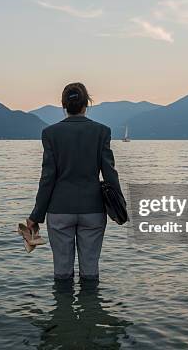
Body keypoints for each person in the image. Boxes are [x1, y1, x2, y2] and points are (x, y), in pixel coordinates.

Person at [26, 82, 124, 280]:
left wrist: (36, 216)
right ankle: (91, 309)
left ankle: (62, 309)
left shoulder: (50, 134)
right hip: (93, 210)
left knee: (62, 274)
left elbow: (47, 178)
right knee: (90, 272)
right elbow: (110, 174)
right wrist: (120, 207)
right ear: (86, 103)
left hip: (59, 210)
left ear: (63, 106)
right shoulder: (101, 132)